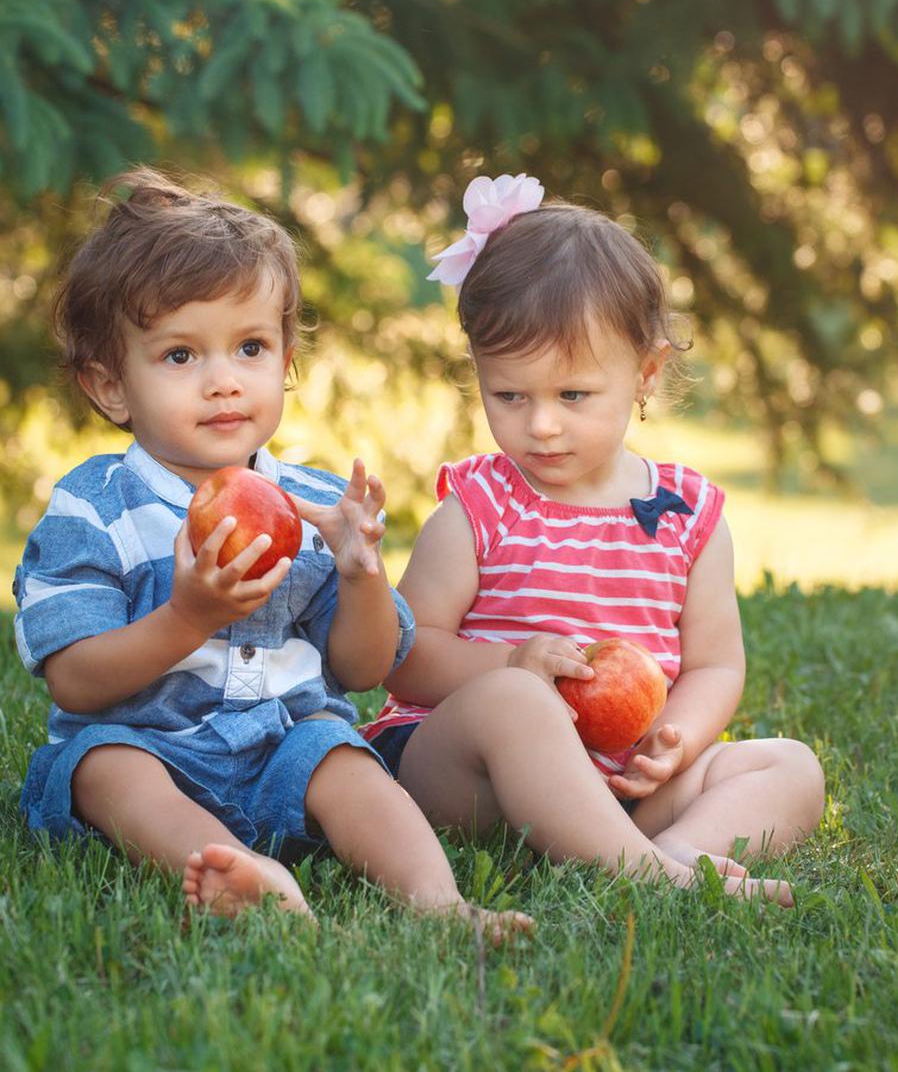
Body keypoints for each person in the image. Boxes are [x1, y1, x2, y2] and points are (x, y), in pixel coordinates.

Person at [13, 167, 532, 937]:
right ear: (111, 385)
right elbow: (75, 681)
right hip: (154, 749)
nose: (224, 382)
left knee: (343, 757)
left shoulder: (308, 502)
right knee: (101, 767)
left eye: (249, 347)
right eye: (181, 356)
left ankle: (443, 906)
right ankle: (236, 868)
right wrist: (188, 617)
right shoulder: (94, 507)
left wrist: (359, 576)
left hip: (283, 752)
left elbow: (363, 670)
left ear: (285, 358)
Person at [361, 173, 825, 904]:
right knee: (519, 700)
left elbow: (714, 667)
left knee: (791, 767)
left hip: (619, 783)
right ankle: (641, 872)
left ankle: (665, 859)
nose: (541, 425)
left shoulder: (686, 516)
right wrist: (511, 662)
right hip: (473, 777)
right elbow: (406, 660)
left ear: (645, 373)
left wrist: (672, 741)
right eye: (509, 395)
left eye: (572, 396)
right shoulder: (480, 507)